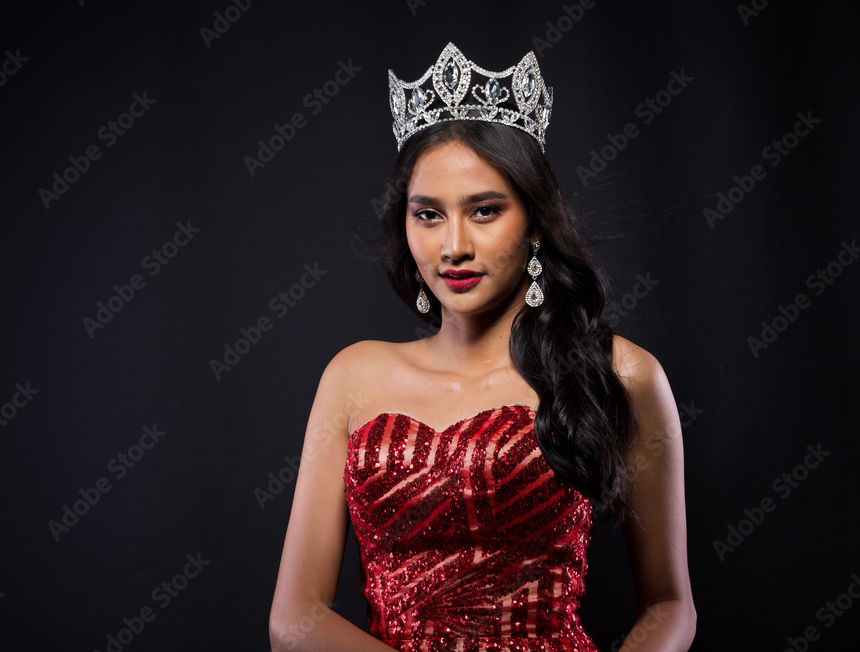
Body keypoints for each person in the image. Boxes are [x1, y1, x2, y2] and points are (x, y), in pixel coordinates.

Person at [270, 42, 696, 651]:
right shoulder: (353, 376)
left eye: (486, 211)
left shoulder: (621, 372)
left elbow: (669, 603)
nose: (454, 247)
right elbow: (293, 620)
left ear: (536, 220)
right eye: (428, 215)